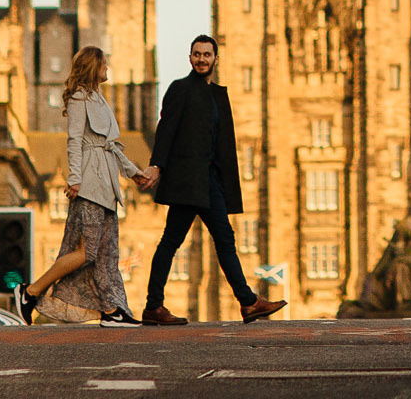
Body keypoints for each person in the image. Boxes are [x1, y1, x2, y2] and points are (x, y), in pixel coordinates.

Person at [140, 36, 282, 325]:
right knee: (172, 241)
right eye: (197, 54)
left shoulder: (218, 94)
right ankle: (154, 306)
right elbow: (165, 129)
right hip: (186, 183)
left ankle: (248, 302)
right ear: (190, 58)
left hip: (209, 182)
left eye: (207, 55)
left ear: (216, 59)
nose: (201, 59)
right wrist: (156, 165)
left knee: (223, 240)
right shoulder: (180, 89)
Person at [14, 48, 151, 327]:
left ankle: (112, 311)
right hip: (89, 182)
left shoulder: (99, 99)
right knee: (88, 251)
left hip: (107, 184)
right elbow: (74, 141)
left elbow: (110, 146)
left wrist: (132, 173)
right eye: (104, 63)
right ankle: (29, 292)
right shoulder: (78, 99)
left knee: (107, 251)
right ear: (93, 66)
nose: (108, 67)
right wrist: (74, 178)